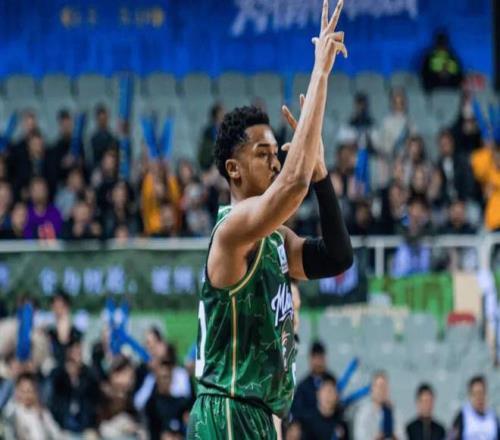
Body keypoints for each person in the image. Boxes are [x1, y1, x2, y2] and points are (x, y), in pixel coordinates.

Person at [187, 2, 352, 438]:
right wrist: (320, 73)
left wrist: (321, 176)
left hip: (259, 415)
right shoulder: (231, 231)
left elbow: (337, 257)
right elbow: (292, 186)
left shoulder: (275, 238)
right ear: (233, 169)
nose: (276, 162)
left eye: (278, 154)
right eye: (264, 154)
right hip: (227, 410)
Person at [47, 336, 99, 436]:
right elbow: (53, 400)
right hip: (62, 424)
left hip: (84, 424)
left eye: (79, 352)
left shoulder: (88, 375)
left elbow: (93, 402)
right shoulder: (58, 374)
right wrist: (67, 373)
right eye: (74, 352)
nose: (76, 357)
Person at [145, 360, 190, 440]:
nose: (165, 381)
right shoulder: (151, 405)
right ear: (156, 378)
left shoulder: (181, 402)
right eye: (163, 377)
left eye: (168, 377)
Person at [354, 371, 403, 440]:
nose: (383, 390)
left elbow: (403, 436)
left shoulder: (395, 413)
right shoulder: (363, 412)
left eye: (385, 386)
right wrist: (379, 437)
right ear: (372, 388)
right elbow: (360, 437)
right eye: (380, 386)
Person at [299, 374, 349, 440]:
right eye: (324, 391)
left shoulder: (342, 424)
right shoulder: (306, 422)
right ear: (317, 394)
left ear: (337, 396)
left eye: (331, 391)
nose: (327, 396)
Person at [449, 375, 500, 439]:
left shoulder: (493, 417)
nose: (479, 397)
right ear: (470, 396)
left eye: (482, 393)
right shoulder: (462, 416)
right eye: (476, 394)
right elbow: (450, 437)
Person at [291, 341, 333, 417]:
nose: (318, 362)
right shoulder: (303, 387)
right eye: (315, 358)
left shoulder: (332, 381)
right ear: (310, 359)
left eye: (320, 358)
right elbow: (296, 412)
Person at [47, 291, 82, 367]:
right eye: (55, 307)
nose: (57, 310)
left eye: (60, 307)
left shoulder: (76, 333)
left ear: (67, 308)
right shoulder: (49, 332)